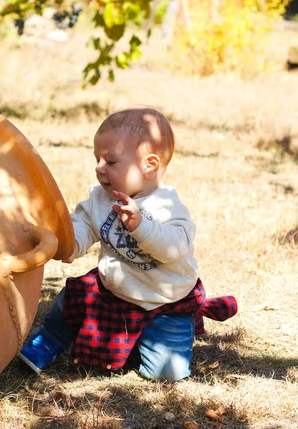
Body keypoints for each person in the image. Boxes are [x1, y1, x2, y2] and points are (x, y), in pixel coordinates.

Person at [18, 106, 237, 381]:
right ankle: (47, 341)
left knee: (168, 374)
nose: (99, 168)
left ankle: (141, 341)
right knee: (72, 299)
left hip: (164, 302)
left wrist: (141, 227)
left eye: (110, 161)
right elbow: (84, 223)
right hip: (115, 290)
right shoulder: (101, 198)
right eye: (96, 159)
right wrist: (72, 243)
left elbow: (176, 247)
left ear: (150, 165)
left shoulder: (167, 205)